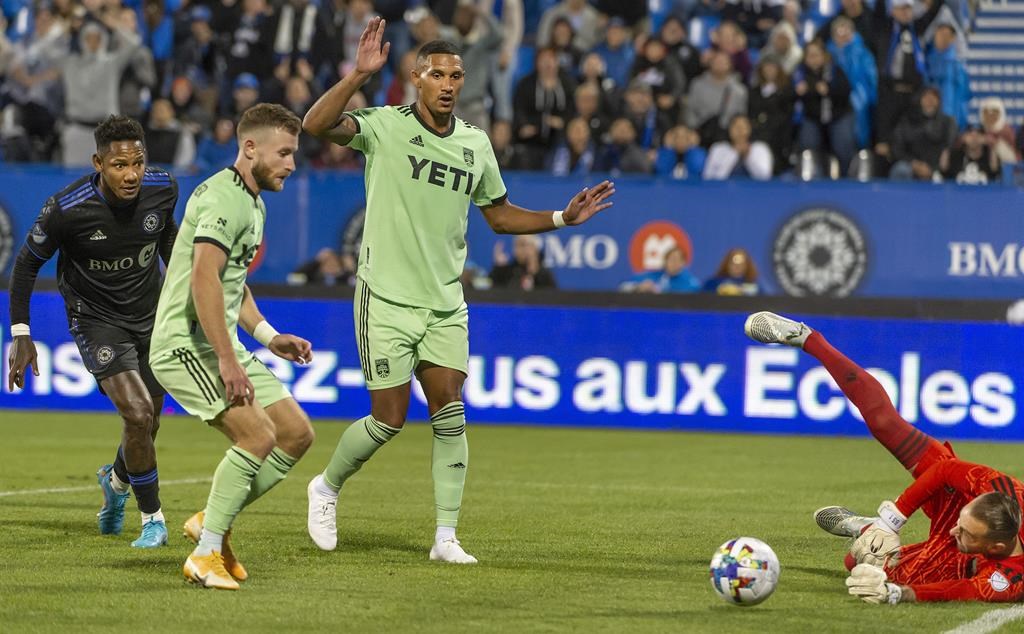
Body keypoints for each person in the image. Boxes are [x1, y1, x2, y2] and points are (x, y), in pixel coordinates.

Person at [301, 20, 614, 564]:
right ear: (416, 79)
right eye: (438, 74)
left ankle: (446, 537)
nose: (449, 83)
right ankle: (326, 487)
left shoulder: (475, 144)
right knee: (388, 420)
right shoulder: (384, 127)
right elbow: (316, 124)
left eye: (456, 75)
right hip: (386, 296)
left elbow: (499, 215)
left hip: (445, 301)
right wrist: (358, 74)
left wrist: (563, 217)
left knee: (450, 408)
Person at [744, 311, 1024, 604]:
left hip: (960, 559)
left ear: (996, 547)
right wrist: (892, 520)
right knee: (883, 423)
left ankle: (864, 528)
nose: (955, 527)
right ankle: (807, 338)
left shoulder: (1011, 578)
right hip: (958, 499)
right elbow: (946, 471)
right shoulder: (1003, 490)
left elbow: (965, 591)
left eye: (966, 532)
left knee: (859, 565)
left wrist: (897, 593)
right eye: (961, 524)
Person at [148, 104, 316, 590]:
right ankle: (204, 555)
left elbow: (233, 284)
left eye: (293, 153)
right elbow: (204, 278)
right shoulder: (224, 199)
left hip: (219, 343)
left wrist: (266, 335)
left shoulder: (254, 202)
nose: (291, 163)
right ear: (249, 148)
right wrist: (227, 360)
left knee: (295, 434)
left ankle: (210, 523)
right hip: (185, 345)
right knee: (258, 436)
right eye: (284, 153)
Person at [7, 115, 178, 549]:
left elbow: (168, 243)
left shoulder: (163, 189)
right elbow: (26, 264)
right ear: (98, 162)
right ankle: (152, 520)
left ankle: (116, 483)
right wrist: (21, 334)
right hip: (96, 320)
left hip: (152, 315)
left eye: (138, 163)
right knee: (138, 414)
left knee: (149, 423)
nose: (132, 174)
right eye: (120, 165)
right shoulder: (67, 208)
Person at [620, 246, 700, 294]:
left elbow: (692, 296)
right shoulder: (655, 275)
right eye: (670, 259)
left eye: (676, 260)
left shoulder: (690, 281)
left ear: (683, 263)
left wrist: (659, 292)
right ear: (665, 261)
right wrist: (638, 287)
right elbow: (623, 287)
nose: (673, 263)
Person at [489, 235, 558, 290]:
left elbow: (552, 298)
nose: (519, 249)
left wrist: (535, 273)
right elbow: (493, 294)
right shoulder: (507, 271)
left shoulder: (544, 274)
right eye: (516, 245)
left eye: (523, 244)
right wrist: (499, 269)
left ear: (535, 248)